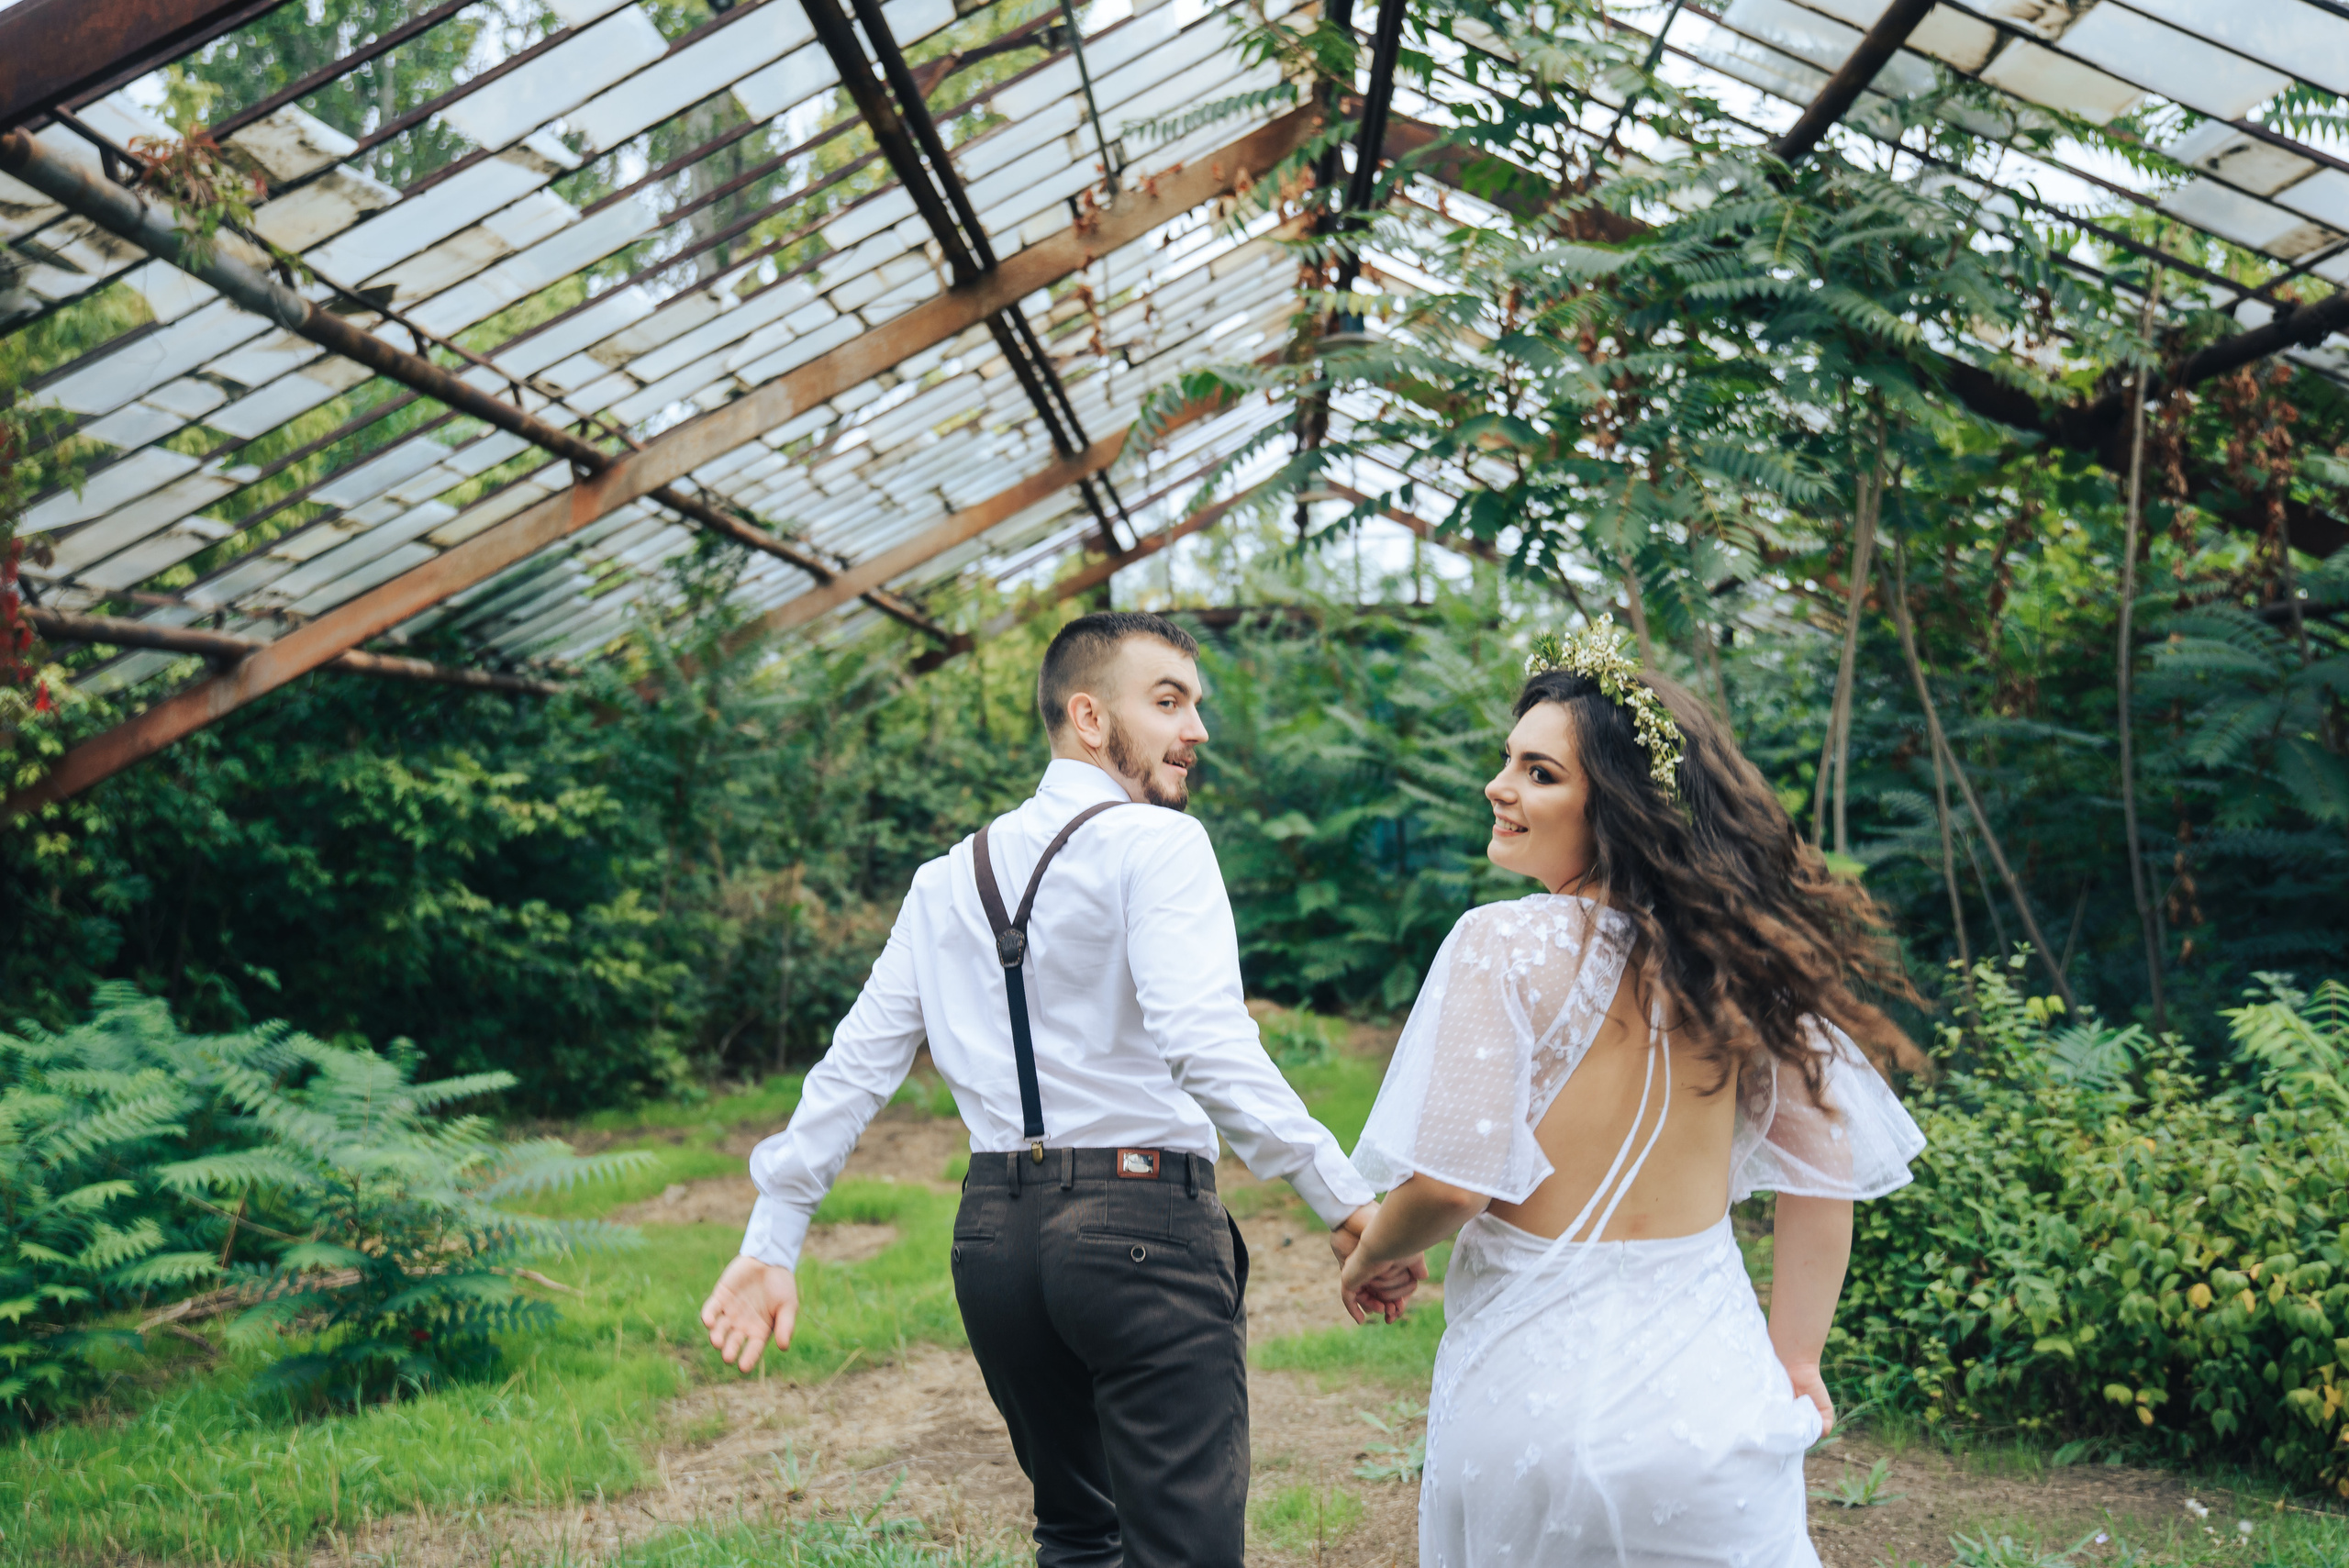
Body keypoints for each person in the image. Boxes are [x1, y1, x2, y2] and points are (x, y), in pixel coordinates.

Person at [701, 609, 1424, 1568]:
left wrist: (773, 1232)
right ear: (1089, 716)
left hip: (994, 1242)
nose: (1195, 729)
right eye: (1167, 701)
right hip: (1142, 1228)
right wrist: (1343, 1202)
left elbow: (854, 1066)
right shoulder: (1158, 844)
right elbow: (1204, 1041)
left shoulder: (942, 879)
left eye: (1195, 704)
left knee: (1078, 1537)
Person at [1335, 618, 1927, 1568]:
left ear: (1612, 805)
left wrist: (1372, 1251)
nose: (1500, 784)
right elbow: (1827, 1177)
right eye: (1508, 760)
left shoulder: (1502, 945)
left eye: (1538, 771)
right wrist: (1798, 1355)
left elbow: (1452, 1185)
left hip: (1528, 1397)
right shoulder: (1740, 959)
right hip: (1709, 1398)